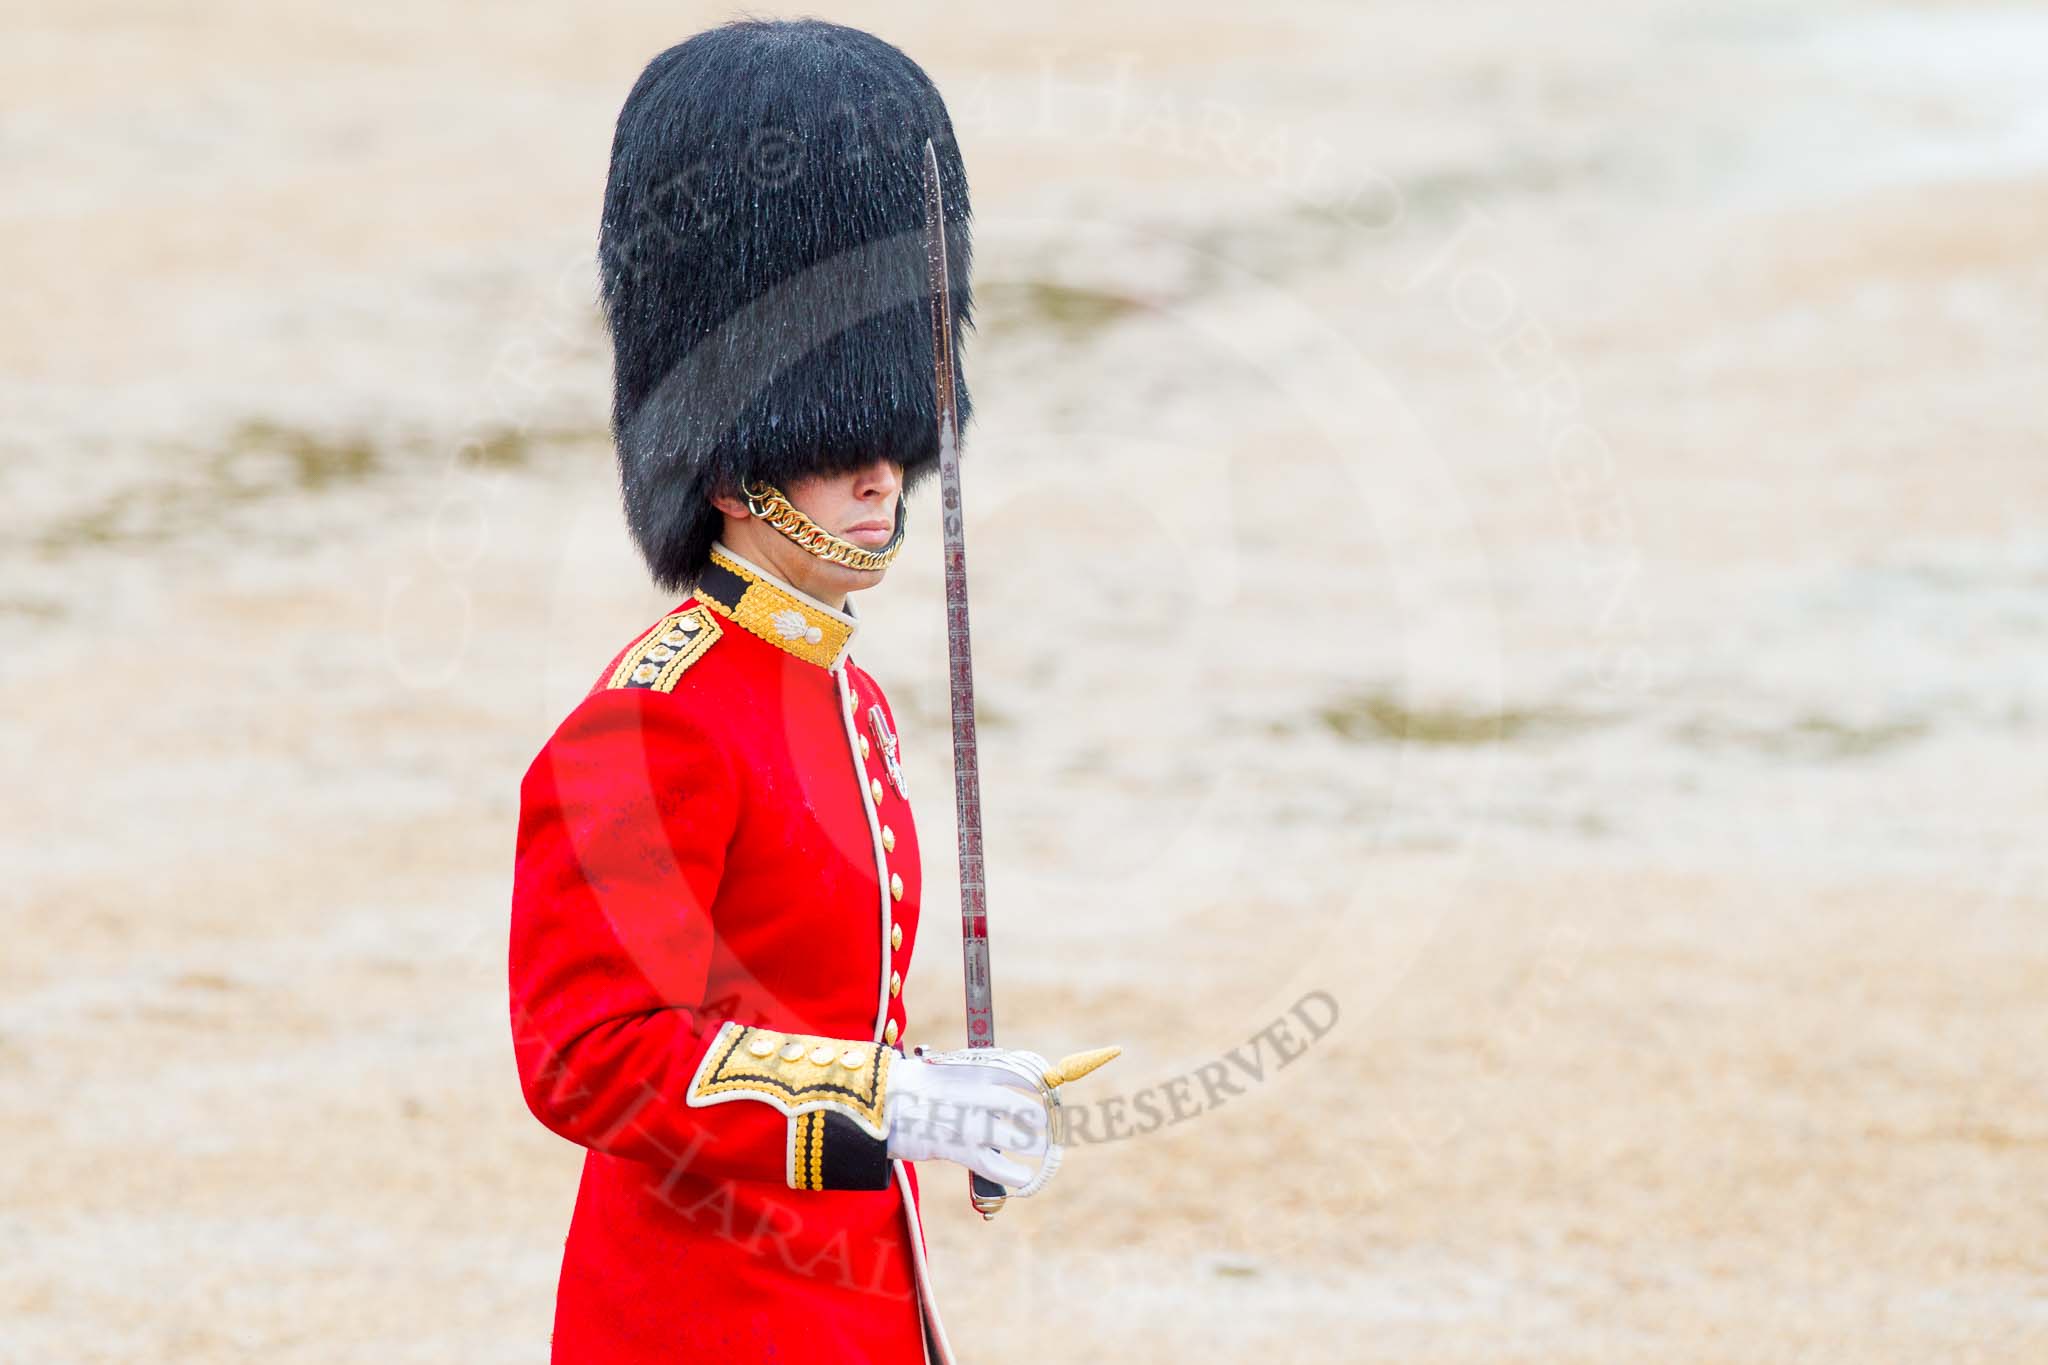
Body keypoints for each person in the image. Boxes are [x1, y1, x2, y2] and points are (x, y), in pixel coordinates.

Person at [508, 21, 1105, 1363]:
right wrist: (888, 1101)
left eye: (891, 437)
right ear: (730, 456)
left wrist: (945, 1092)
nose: (883, 474)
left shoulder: (841, 692)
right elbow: (588, 1051)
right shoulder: (650, 721)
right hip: (699, 1318)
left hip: (853, 1295)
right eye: (841, 440)